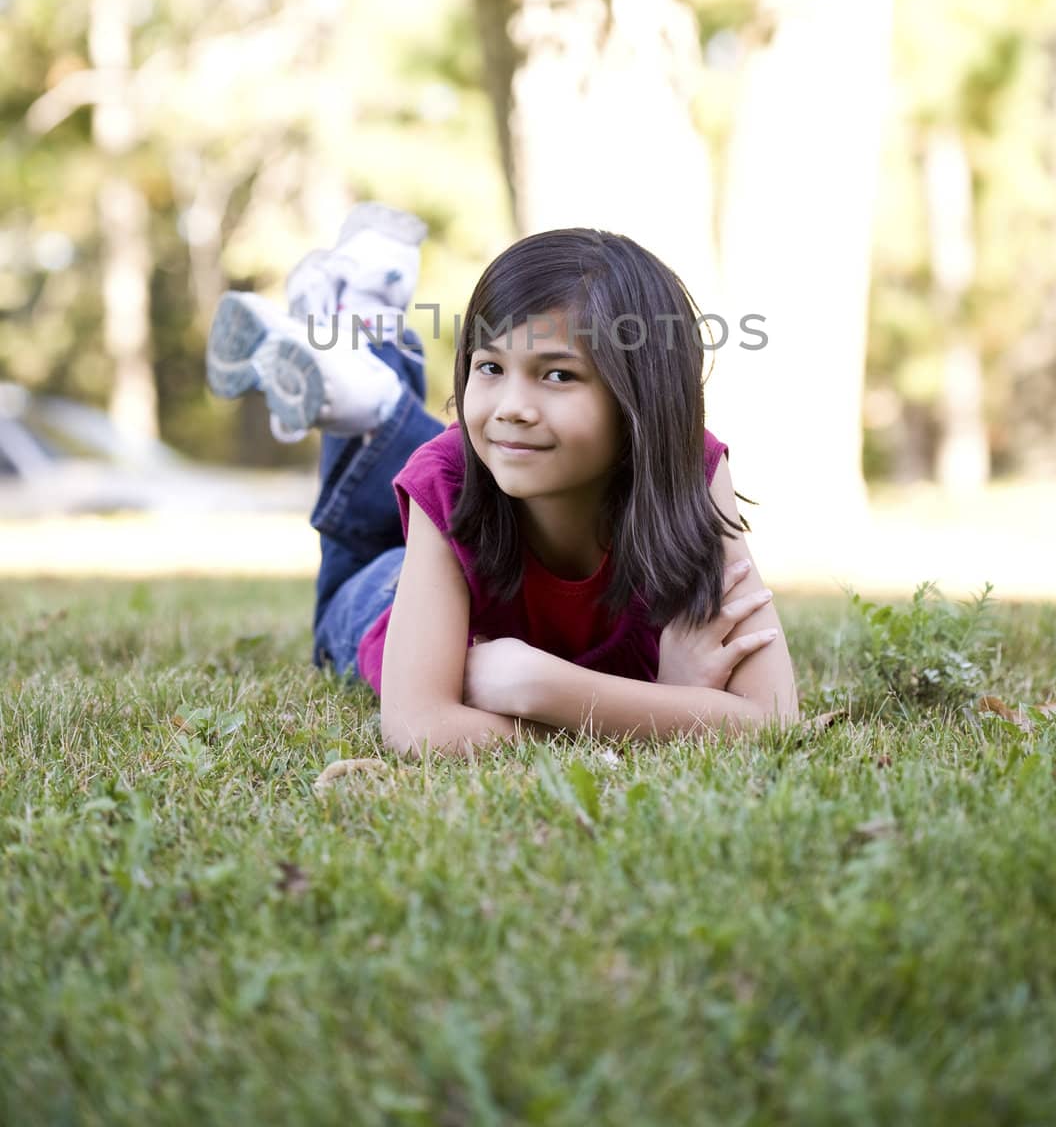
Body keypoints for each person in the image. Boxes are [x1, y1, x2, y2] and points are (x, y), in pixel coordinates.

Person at [206, 203, 799, 757]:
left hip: (459, 562)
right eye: (489, 366)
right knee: (437, 474)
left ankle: (368, 357)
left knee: (465, 450)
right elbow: (418, 727)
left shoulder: (690, 469)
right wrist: (672, 707)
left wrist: (535, 683)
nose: (512, 403)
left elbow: (772, 718)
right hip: (383, 597)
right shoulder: (447, 474)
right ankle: (364, 347)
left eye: (559, 375)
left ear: (642, 399)